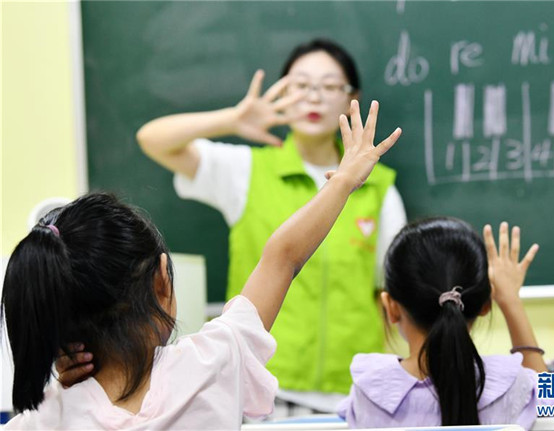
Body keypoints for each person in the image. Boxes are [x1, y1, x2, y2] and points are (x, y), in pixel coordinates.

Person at [1, 101, 401, 429]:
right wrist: (343, 180)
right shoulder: (211, 366)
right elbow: (283, 256)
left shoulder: (40, 422)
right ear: (162, 281)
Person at [132, 38, 406, 407]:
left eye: (329, 87)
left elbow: (389, 294)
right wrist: (232, 120)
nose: (314, 98)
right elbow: (153, 139)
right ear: (282, 93)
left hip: (353, 391)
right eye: (301, 85)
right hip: (262, 390)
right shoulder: (247, 171)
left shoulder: (378, 188)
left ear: (351, 99)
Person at [337, 219, 554, 429]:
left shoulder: (369, 390)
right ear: (485, 305)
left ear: (390, 307)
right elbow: (547, 399)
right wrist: (510, 301)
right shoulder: (510, 386)